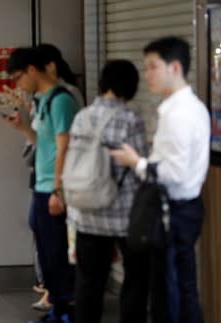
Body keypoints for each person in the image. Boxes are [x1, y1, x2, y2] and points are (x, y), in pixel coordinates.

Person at [110, 37, 210, 323]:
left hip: (174, 211)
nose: (147, 75)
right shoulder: (183, 109)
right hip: (179, 209)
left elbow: (175, 173)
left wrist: (137, 162)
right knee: (176, 287)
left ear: (175, 67)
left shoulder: (180, 115)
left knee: (171, 290)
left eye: (153, 67)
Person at [68, 60, 149, 323]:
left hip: (87, 212)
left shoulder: (82, 116)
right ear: (130, 86)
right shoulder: (130, 119)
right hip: (125, 216)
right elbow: (140, 166)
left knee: (89, 284)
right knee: (136, 280)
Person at [4, 47, 78, 323]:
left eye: (18, 76)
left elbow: (64, 148)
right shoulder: (44, 100)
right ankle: (57, 310)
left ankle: (65, 312)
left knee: (58, 254)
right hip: (43, 185)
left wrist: (58, 190)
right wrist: (24, 129)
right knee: (47, 254)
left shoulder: (62, 100)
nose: (17, 83)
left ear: (33, 70)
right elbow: (44, 144)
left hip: (54, 188)